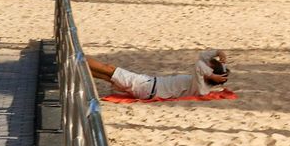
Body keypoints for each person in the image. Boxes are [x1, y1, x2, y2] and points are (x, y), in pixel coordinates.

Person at [85, 49, 230, 100]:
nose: (207, 64)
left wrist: (211, 75)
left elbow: (199, 65)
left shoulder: (201, 87)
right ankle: (77, 65)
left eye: (209, 67)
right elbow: (202, 57)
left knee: (109, 68)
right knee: (107, 76)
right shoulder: (201, 81)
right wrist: (218, 53)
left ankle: (75, 56)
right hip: (148, 86)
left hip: (148, 87)